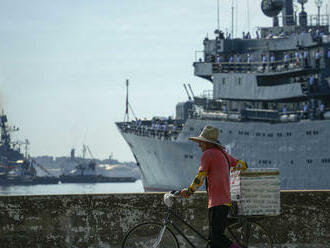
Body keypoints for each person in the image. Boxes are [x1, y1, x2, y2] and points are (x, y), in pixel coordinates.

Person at [181, 125, 247, 248]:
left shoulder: (208, 154)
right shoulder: (224, 154)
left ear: (206, 143)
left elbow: (200, 177)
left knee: (217, 238)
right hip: (225, 201)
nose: (199, 145)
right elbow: (242, 165)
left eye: (201, 142)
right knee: (212, 241)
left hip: (217, 203)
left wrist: (189, 191)